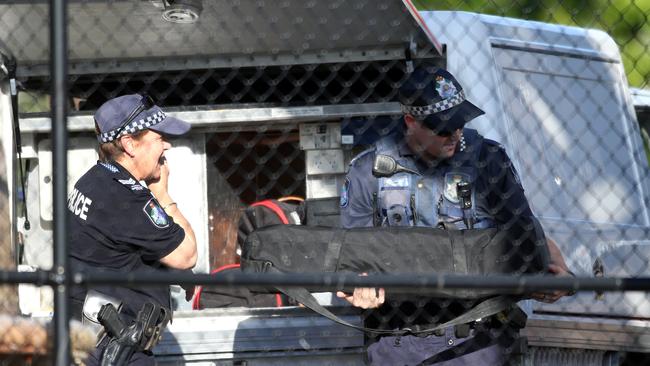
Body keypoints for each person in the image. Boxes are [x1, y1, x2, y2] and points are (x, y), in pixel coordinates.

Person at [337, 66, 572, 365]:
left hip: (478, 343)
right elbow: (349, 257)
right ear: (411, 121)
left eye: (460, 122)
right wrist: (358, 286)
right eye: (443, 128)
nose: (456, 133)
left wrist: (557, 269)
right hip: (399, 344)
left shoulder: (488, 160)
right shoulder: (369, 171)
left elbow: (524, 230)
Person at [68, 94, 198, 365]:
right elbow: (186, 255)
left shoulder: (95, 180)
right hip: (112, 349)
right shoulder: (126, 197)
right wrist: (162, 194)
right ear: (129, 144)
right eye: (158, 137)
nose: (167, 146)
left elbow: (123, 252)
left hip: (87, 342)